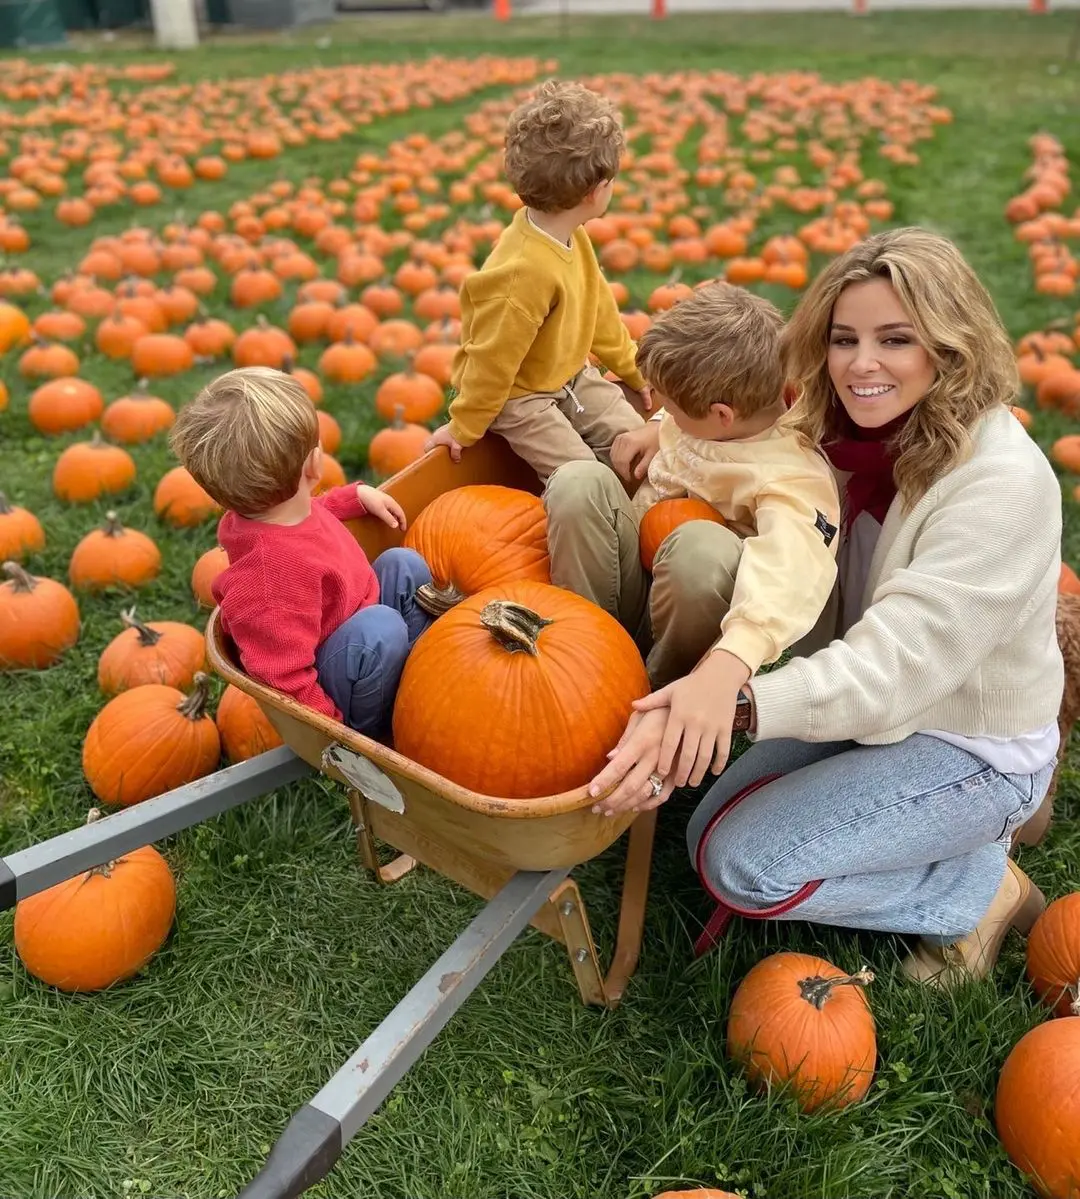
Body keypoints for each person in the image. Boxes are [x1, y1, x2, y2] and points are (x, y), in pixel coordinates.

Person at [589, 227, 1063, 988]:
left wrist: (733, 698)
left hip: (964, 738)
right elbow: (730, 422)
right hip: (877, 711)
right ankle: (964, 836)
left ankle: (975, 890)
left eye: (895, 338)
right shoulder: (842, 421)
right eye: (844, 338)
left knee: (740, 864)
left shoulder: (1001, 485)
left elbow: (892, 671)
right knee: (707, 826)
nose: (860, 363)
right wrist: (660, 423)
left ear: (950, 345)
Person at [544, 280, 841, 691]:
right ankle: (582, 645)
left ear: (721, 416)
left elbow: (791, 571)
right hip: (628, 575)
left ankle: (651, 689)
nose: (665, 412)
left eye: (670, 407)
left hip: (688, 616)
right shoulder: (728, 410)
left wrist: (741, 648)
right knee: (579, 481)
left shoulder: (790, 476)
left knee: (702, 550)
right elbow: (680, 419)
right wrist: (655, 428)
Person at [169, 367, 433, 736]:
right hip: (336, 683)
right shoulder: (267, 581)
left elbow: (313, 513)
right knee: (382, 628)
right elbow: (283, 677)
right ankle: (388, 725)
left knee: (402, 565)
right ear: (313, 464)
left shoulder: (272, 510)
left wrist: (354, 496)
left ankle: (426, 666)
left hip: (351, 618)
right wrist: (337, 735)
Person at [424, 78, 651, 483]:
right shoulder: (522, 273)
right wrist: (464, 427)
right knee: (583, 478)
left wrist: (633, 370)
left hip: (568, 375)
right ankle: (597, 512)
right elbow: (491, 362)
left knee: (635, 435)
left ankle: (634, 502)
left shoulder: (571, 235)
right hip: (518, 396)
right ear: (595, 192)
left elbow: (598, 312)